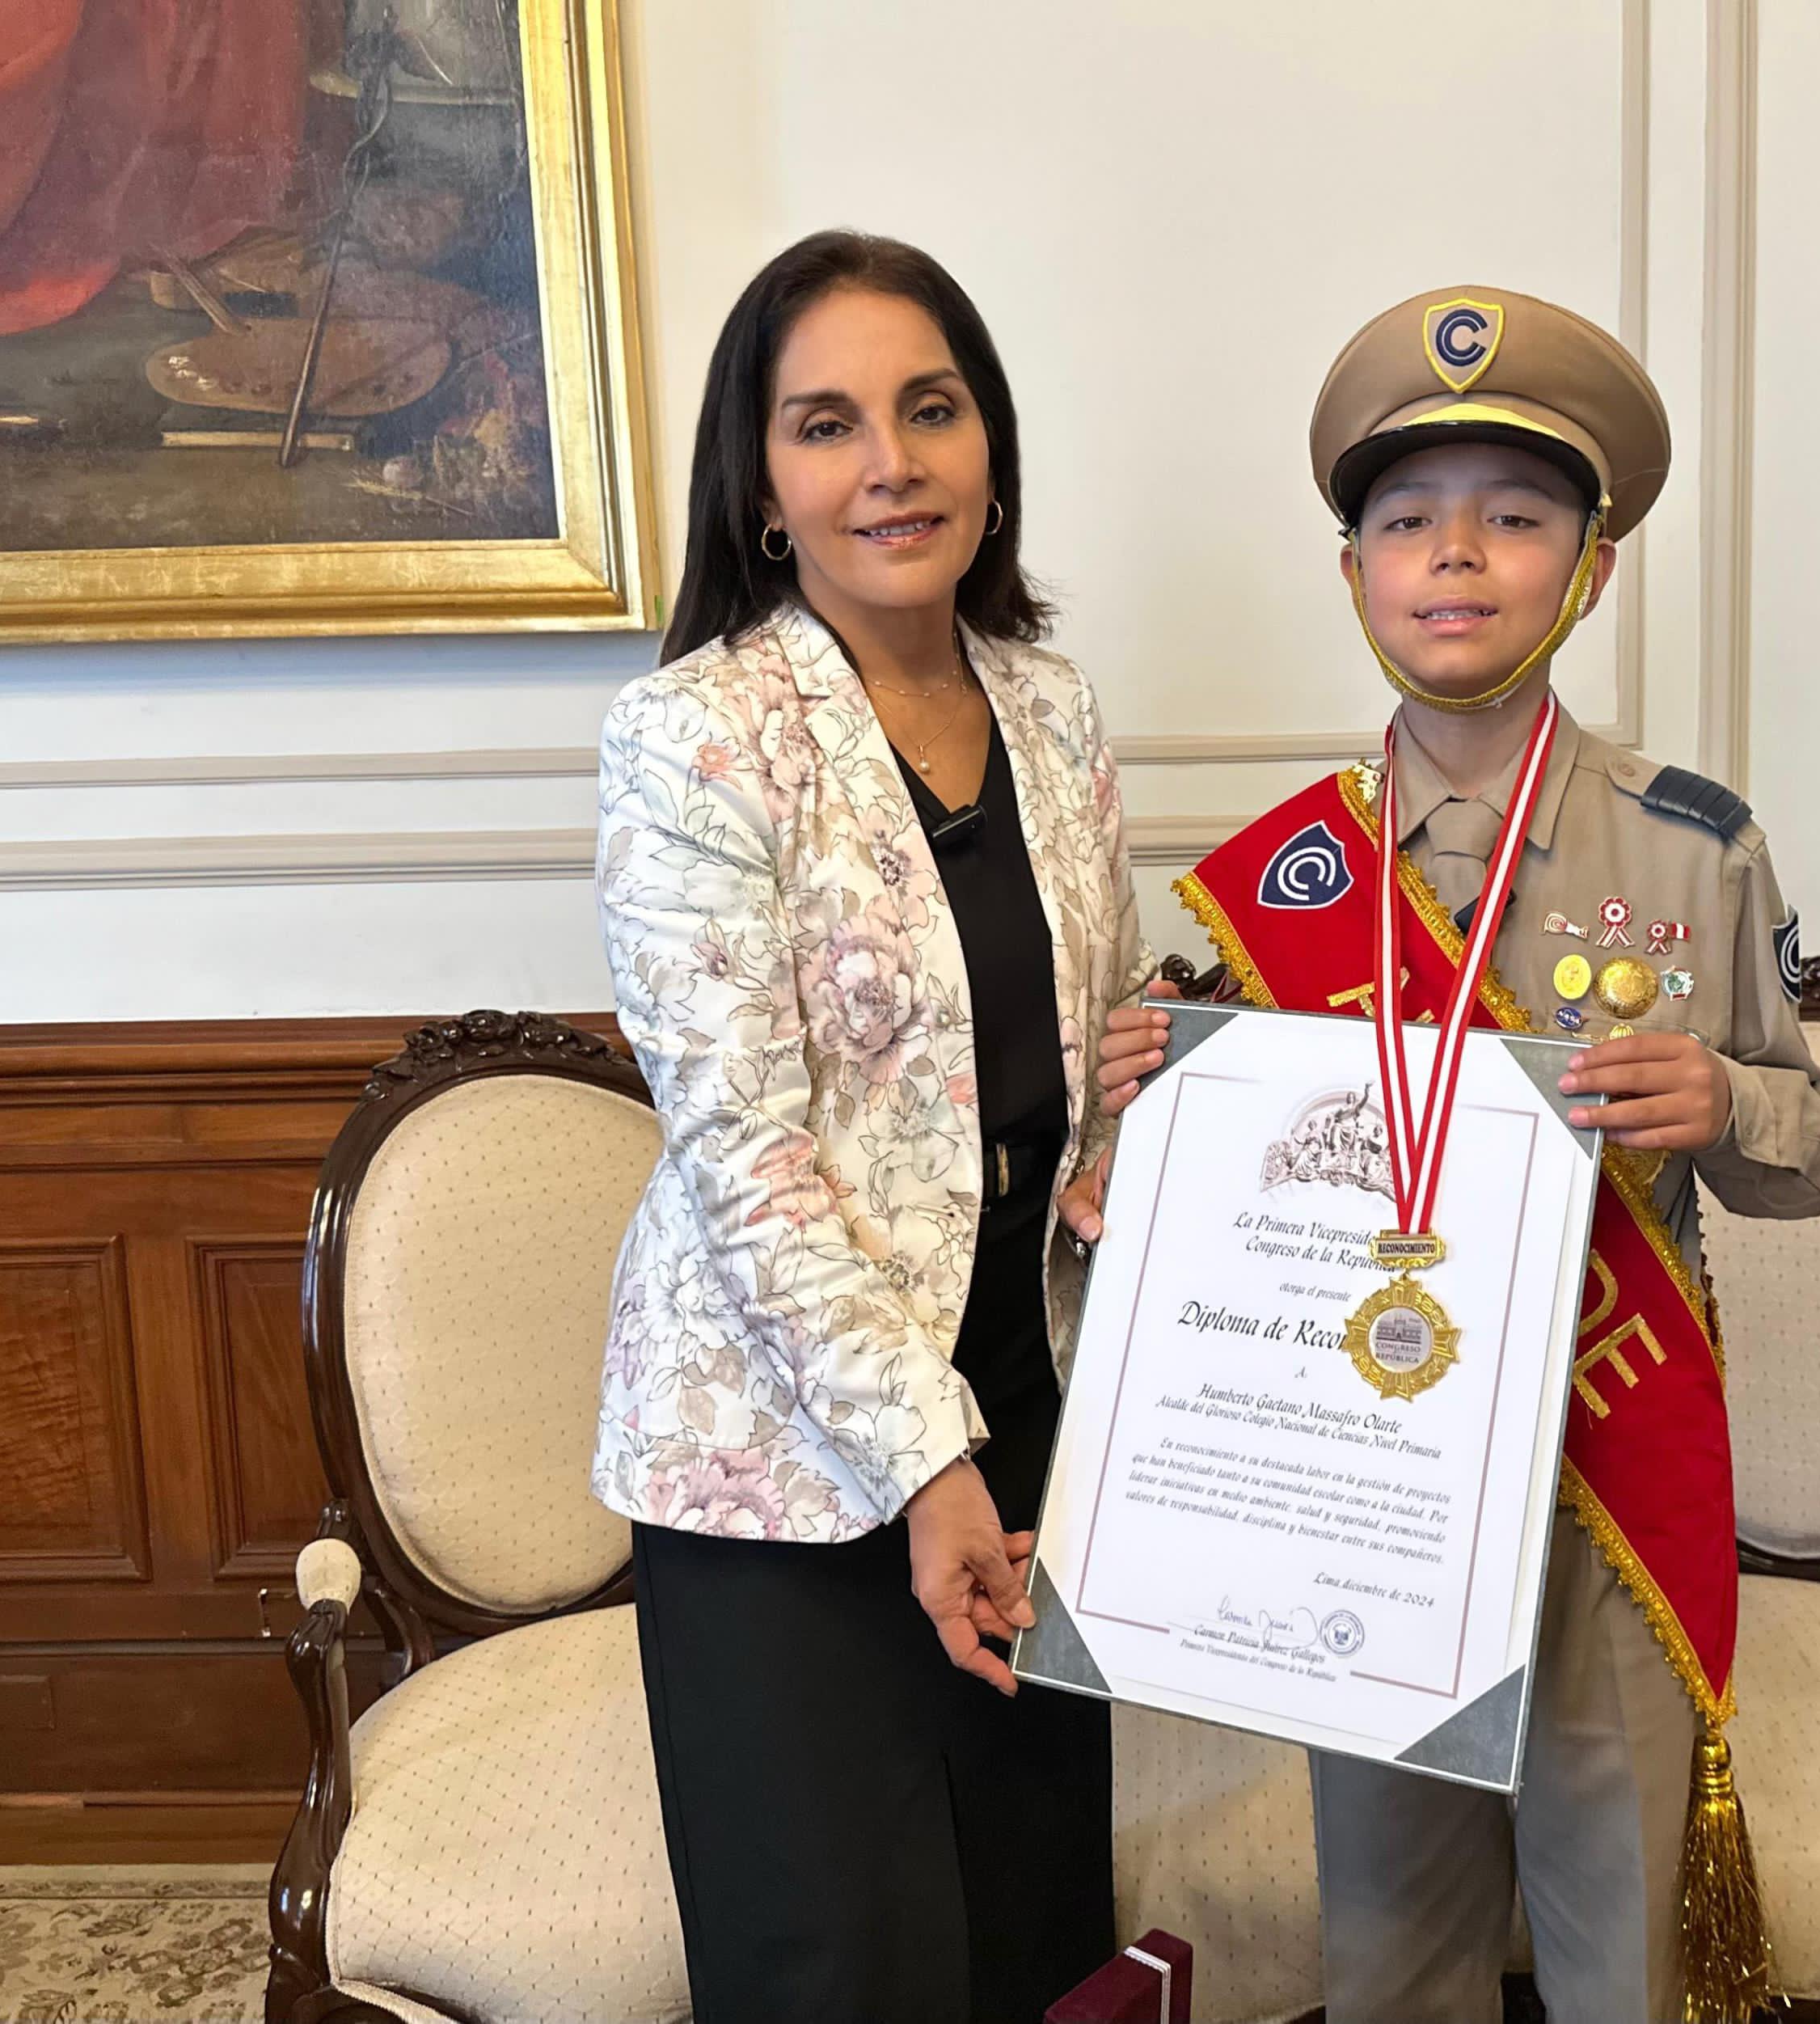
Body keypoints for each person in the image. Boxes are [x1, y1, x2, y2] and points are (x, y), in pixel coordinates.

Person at [1100, 288, 1820, 2023]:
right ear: (1352, 572)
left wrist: (1726, 1103)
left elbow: (1813, 1148)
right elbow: (1212, 1238)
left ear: (1590, 568)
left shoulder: (1695, 849)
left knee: (1621, 1943)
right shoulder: (1274, 884)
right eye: (1405, 521)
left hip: (1608, 1476)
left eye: (1513, 517)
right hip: (1370, 1484)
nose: (1454, 555)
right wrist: (1145, 1117)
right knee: (1391, 1945)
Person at [593, 229, 1153, 2024]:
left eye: (930, 409)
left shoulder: (1052, 710)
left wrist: (1129, 1118)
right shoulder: (693, 736)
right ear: (762, 487)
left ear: (990, 446)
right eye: (825, 424)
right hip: (779, 1456)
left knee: (1035, 1927)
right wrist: (927, 1467)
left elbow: (1073, 1041)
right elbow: (742, 1157)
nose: (890, 464)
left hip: (1031, 1400)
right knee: (843, 1961)